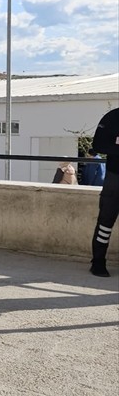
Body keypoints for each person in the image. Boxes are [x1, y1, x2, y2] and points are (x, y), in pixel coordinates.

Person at [89, 108, 119, 277]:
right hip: (115, 178)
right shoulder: (112, 117)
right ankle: (98, 262)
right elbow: (98, 145)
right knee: (105, 223)